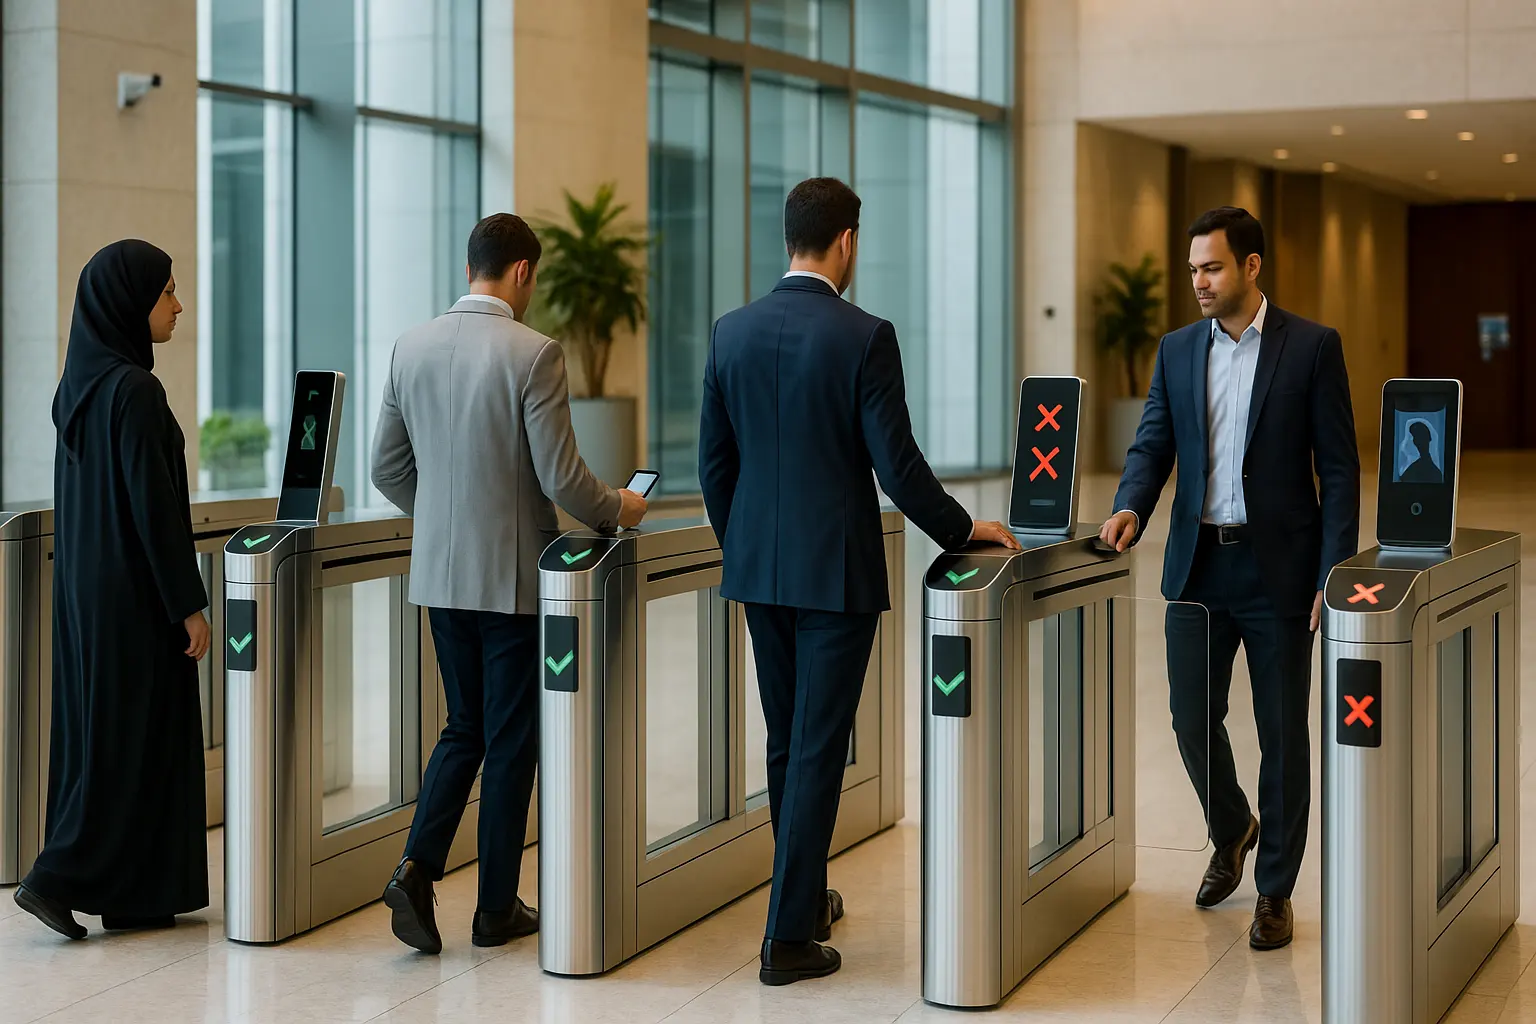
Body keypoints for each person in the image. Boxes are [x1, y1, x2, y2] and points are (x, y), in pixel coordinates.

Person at [699, 177, 1020, 986]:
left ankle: (800, 901)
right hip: (834, 573)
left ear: (789, 239)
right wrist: (962, 528)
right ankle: (786, 939)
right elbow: (898, 466)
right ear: (846, 241)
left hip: (759, 573)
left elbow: (715, 466)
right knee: (816, 747)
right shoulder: (863, 334)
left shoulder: (730, 332)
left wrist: (745, 545)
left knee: (786, 739)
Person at [371, 213, 648, 954]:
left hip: (439, 576)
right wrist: (620, 506)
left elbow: (386, 469)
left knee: (465, 727)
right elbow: (562, 476)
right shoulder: (535, 353)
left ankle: (418, 866)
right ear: (523, 272)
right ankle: (495, 908)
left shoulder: (411, 346)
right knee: (513, 737)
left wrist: (439, 522)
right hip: (515, 582)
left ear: (472, 269)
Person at [1100, 207, 1359, 951]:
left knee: (1282, 734)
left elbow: (1338, 470)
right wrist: (1129, 506)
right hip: (1198, 565)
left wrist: (1332, 572)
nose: (1198, 283)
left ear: (1251, 266)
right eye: (1192, 270)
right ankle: (1231, 826)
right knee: (1190, 718)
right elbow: (1154, 441)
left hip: (1280, 571)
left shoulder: (1311, 347)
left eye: (1210, 268)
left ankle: (1273, 888)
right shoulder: (1177, 350)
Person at [15, 240, 212, 940]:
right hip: (135, 598)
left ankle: (139, 894)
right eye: (167, 292)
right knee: (130, 743)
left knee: (113, 735)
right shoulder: (133, 389)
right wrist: (188, 604)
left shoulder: (82, 388)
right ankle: (54, 876)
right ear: (129, 302)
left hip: (89, 593)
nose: (178, 305)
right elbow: (153, 508)